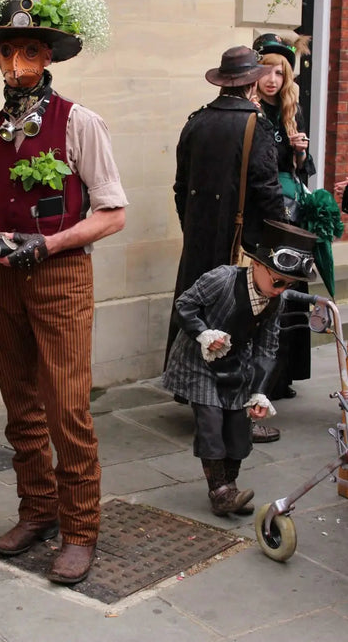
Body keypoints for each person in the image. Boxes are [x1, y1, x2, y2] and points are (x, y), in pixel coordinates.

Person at [0, 0, 127, 585]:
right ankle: (37, 512)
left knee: (66, 407)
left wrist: (48, 245)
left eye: (28, 51)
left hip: (59, 278)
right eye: (7, 53)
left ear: (47, 56)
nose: (16, 63)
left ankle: (80, 530)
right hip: (0, 281)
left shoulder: (79, 122)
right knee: (20, 406)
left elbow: (113, 213)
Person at [164, 46, 286, 443]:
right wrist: (279, 241)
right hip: (240, 245)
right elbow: (268, 191)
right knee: (239, 326)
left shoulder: (196, 121)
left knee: (199, 317)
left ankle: (199, 403)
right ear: (250, 83)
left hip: (200, 239)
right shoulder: (256, 124)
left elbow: (180, 187)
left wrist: (193, 228)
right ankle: (237, 417)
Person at [163, 220, 317, 517]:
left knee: (239, 426)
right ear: (256, 264)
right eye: (278, 281)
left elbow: (267, 348)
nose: (281, 290)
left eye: (290, 285)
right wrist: (202, 333)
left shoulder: (276, 302)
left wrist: (259, 392)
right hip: (198, 362)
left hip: (237, 366)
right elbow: (184, 304)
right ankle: (219, 492)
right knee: (210, 422)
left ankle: (230, 486)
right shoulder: (221, 278)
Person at [254, 33, 316, 401]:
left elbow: (303, 170)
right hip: (264, 212)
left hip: (290, 213)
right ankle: (262, 379)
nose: (273, 79)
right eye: (266, 70)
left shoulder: (293, 110)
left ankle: (284, 375)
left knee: (291, 285)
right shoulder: (250, 110)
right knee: (266, 288)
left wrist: (300, 154)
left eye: (280, 72)